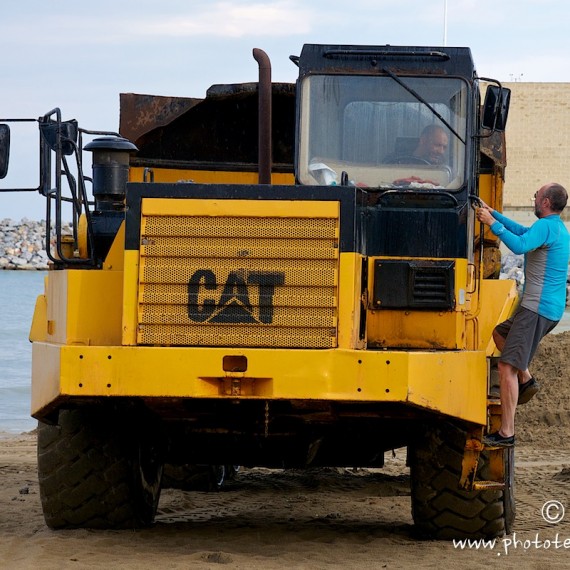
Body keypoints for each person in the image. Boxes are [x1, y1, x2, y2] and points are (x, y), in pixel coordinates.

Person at [476, 182, 569, 447]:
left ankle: (507, 432)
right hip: (544, 309)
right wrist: (494, 214)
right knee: (499, 333)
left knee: (506, 366)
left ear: (546, 202)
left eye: (536, 195)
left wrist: (491, 224)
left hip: (535, 309)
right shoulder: (555, 228)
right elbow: (522, 231)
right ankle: (526, 378)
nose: (534, 198)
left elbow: (518, 245)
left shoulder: (546, 226)